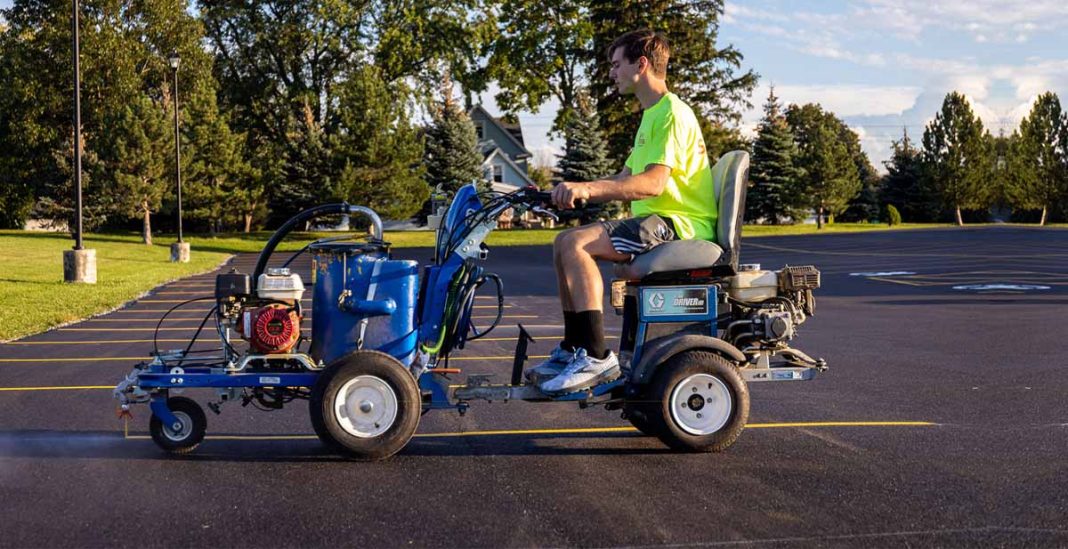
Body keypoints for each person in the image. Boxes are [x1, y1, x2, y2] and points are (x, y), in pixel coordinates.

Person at [528, 28, 718, 394]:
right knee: (563, 241)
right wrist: (571, 192)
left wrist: (585, 189)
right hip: (656, 220)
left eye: (617, 64)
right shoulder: (652, 116)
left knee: (577, 245)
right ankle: (574, 348)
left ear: (641, 64)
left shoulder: (672, 114)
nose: (611, 72)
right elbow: (624, 178)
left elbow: (652, 184)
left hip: (678, 224)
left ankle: (598, 357)